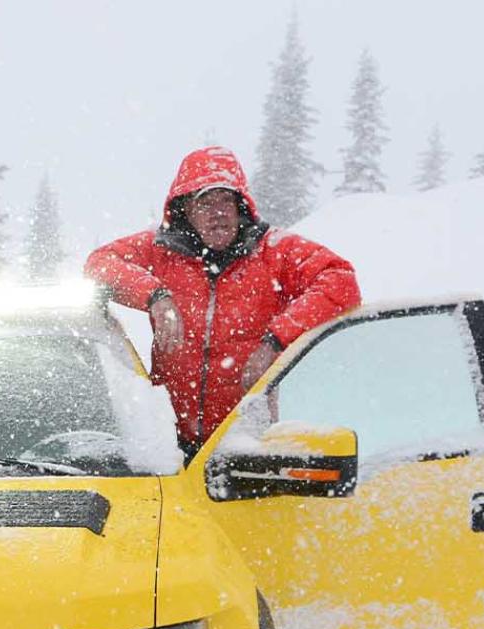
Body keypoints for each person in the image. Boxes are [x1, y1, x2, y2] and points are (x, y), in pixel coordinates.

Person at [85, 146, 361, 454]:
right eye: (205, 202)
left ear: (241, 206)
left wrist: (275, 341)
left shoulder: (274, 250)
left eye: (226, 200)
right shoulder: (160, 249)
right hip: (168, 449)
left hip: (246, 447)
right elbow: (99, 263)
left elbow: (341, 280)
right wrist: (155, 296)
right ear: (185, 210)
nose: (218, 212)